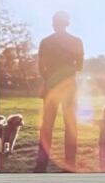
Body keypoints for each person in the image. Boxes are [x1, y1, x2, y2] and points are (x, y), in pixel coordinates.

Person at [34, 10, 84, 172]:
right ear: (67, 23)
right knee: (70, 124)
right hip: (69, 86)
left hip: (51, 87)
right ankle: (70, 162)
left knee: (47, 125)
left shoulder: (45, 42)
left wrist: (50, 78)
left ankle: (42, 162)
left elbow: (41, 67)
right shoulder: (76, 41)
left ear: (53, 23)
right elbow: (79, 66)